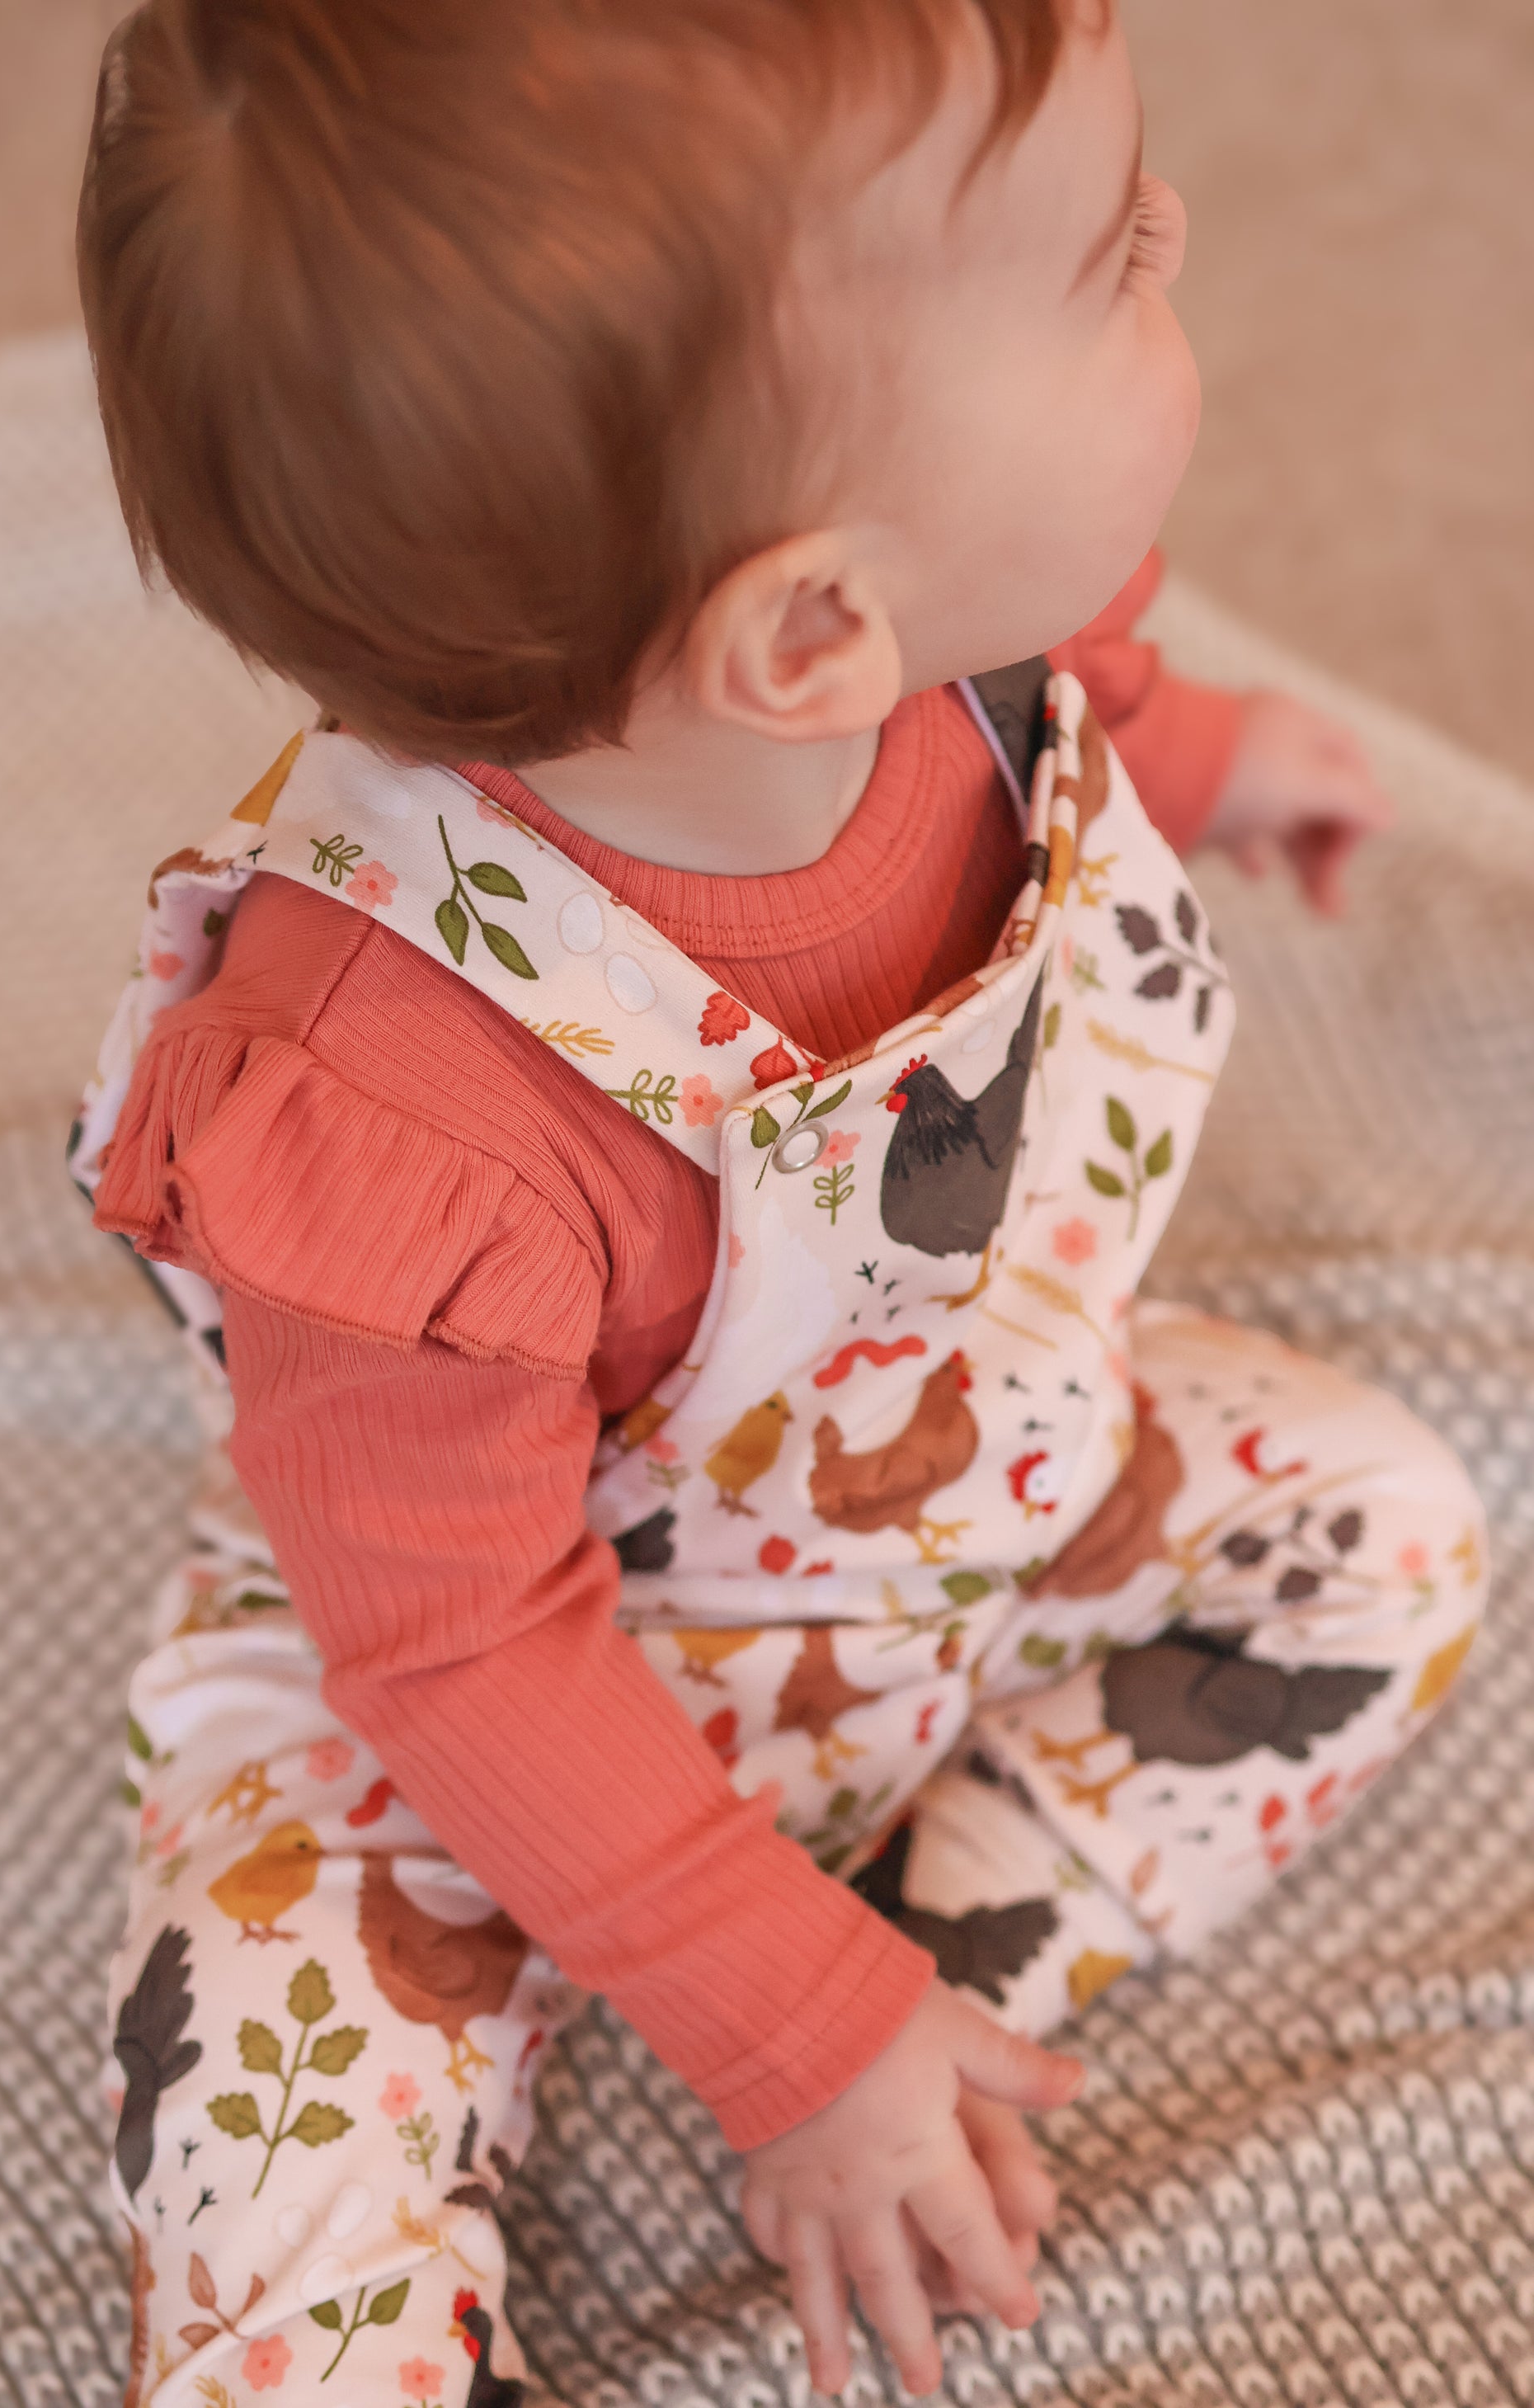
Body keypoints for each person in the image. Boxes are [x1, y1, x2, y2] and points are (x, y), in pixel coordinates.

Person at [73, 3, 1482, 2401]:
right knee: (267, 2174)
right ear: (810, 628)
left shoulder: (964, 650)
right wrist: (762, 2015)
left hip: (931, 1502)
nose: (1173, 235)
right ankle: (742, 2042)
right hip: (459, 1709)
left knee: (1389, 1532)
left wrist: (1232, 759)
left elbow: (1091, 709)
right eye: (1105, 261)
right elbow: (452, 1648)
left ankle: (936, 1974)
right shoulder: (389, 1101)